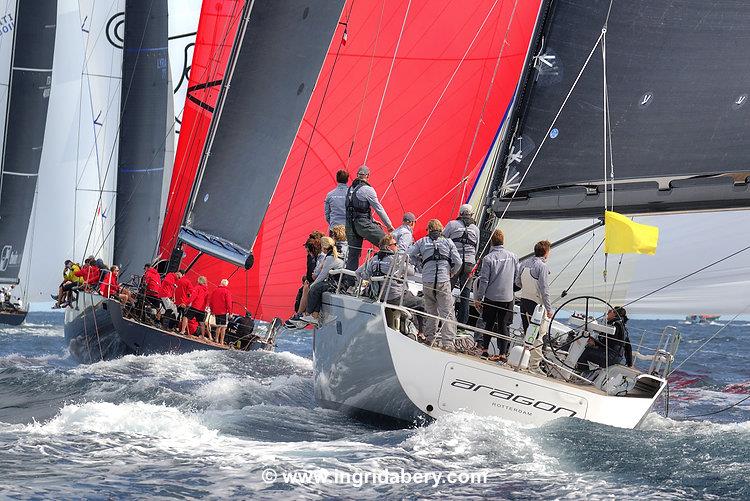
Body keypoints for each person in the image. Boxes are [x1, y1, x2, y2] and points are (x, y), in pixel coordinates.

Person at [408, 219, 462, 350]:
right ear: (441, 229)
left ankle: (430, 338)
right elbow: (458, 261)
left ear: (429, 229)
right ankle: (448, 343)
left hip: (428, 280)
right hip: (443, 279)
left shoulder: (422, 242)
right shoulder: (448, 242)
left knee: (431, 310)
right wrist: (452, 273)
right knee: (447, 311)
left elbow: (409, 254)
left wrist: (418, 263)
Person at [474, 228, 518, 360]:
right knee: (503, 325)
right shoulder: (513, 256)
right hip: (507, 297)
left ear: (491, 242)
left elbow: (484, 280)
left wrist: (478, 298)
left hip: (491, 297)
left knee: (489, 324)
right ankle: (503, 353)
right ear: (503, 241)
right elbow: (516, 277)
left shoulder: (488, 259)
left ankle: (485, 350)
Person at [345, 165, 394, 272]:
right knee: (388, 243)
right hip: (362, 225)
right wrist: (389, 225)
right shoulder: (367, 189)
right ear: (368, 176)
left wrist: (371, 219)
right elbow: (378, 208)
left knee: (353, 255)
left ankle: (349, 282)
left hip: (350, 226)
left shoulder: (350, 189)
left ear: (358, 175)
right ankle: (381, 272)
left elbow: (354, 208)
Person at [443, 204, 480, 324]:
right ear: (471, 214)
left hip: (455, 263)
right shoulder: (475, 229)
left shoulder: (452, 224)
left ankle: (444, 319)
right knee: (465, 294)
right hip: (469, 264)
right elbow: (477, 247)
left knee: (447, 291)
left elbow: (443, 240)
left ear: (460, 213)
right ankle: (462, 324)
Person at [300, 236, 344, 326]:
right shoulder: (332, 255)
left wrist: (313, 285)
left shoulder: (330, 258)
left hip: (338, 284)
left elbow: (322, 275)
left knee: (314, 288)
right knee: (317, 287)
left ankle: (308, 313)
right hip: (337, 282)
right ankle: (314, 315)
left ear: (324, 247)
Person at [576, 306, 634, 371]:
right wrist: (630, 364)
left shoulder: (615, 326)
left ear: (615, 314)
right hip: (617, 358)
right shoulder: (623, 327)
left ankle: (583, 374)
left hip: (609, 357)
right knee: (589, 350)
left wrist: (594, 343)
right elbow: (628, 347)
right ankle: (585, 373)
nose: (607, 313)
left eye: (609, 311)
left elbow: (608, 342)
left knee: (584, 352)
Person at [286, 233, 324, 328]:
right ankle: (299, 314)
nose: (307, 253)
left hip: (321, 281)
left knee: (307, 288)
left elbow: (317, 272)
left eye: (308, 251)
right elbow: (311, 271)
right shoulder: (314, 256)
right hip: (316, 279)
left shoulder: (321, 257)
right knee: (303, 288)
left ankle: (302, 314)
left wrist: (311, 280)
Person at [515, 240, 553, 332]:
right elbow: (544, 289)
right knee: (537, 333)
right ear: (546, 253)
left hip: (523, 301)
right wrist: (549, 309)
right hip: (535, 304)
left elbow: (517, 282)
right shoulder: (543, 267)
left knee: (526, 331)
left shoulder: (524, 263)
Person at [210, 278, 232, 344]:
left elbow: (211, 301)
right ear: (226, 284)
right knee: (223, 327)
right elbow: (229, 303)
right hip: (223, 311)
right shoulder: (227, 291)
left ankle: (216, 339)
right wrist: (230, 312)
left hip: (216, 311)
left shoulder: (215, 290)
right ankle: (221, 341)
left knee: (218, 325)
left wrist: (212, 310)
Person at [175, 270, 193, 335]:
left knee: (179, 315)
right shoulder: (187, 282)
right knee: (181, 315)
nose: (177, 275)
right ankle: (179, 329)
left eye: (178, 274)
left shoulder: (178, 280)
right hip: (181, 301)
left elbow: (190, 293)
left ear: (182, 274)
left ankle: (177, 328)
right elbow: (190, 293)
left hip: (179, 301)